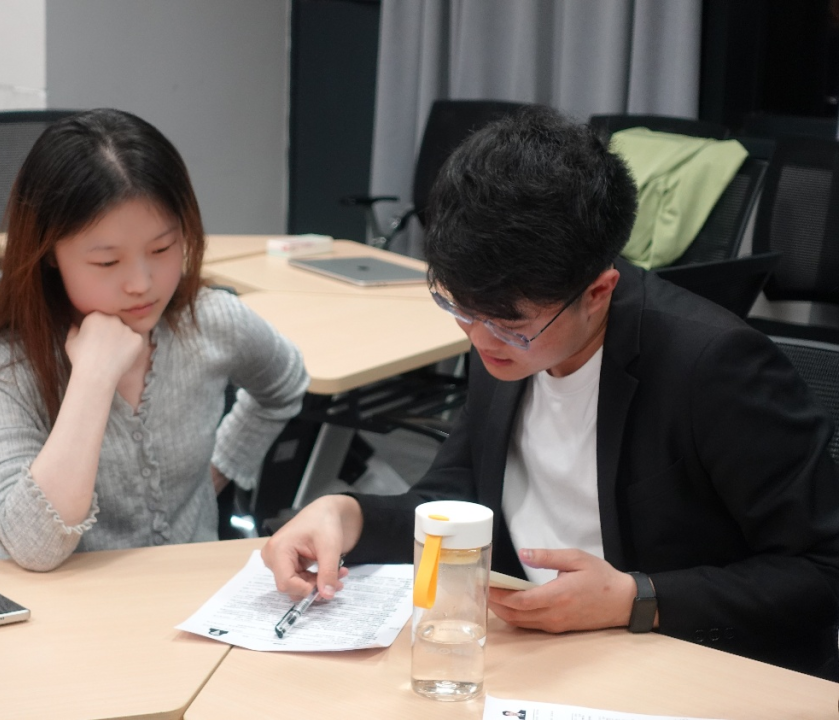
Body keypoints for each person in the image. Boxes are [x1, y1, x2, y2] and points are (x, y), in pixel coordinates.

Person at [262, 105, 839, 677]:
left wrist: (638, 597)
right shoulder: (502, 333)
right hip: (537, 653)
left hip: (679, 666)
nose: (479, 339)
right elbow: (455, 497)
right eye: (459, 308)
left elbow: (822, 568)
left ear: (598, 292)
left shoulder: (714, 365)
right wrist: (347, 514)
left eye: (510, 325)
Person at [0, 109, 308, 572]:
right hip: (55, 608)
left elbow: (284, 383)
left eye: (162, 249)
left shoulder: (209, 320)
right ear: (49, 254)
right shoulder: (1, 365)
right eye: (106, 262)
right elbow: (33, 548)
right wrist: (92, 379)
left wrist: (218, 471)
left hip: (189, 597)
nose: (142, 283)